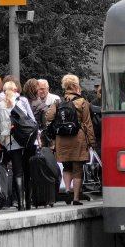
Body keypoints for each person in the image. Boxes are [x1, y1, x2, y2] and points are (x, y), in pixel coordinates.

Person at [46, 74, 95, 206]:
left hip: (62, 138)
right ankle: (76, 197)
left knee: (67, 166)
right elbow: (87, 123)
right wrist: (92, 142)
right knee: (77, 168)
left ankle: (67, 190)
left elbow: (49, 117)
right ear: (75, 86)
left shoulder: (58, 102)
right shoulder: (82, 102)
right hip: (77, 138)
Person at [0, 81, 35, 210]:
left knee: (17, 171)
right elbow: (32, 120)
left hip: (11, 141)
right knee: (27, 171)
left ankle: (20, 204)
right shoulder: (21, 102)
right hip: (26, 139)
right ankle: (29, 203)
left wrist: (2, 140)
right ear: (15, 89)